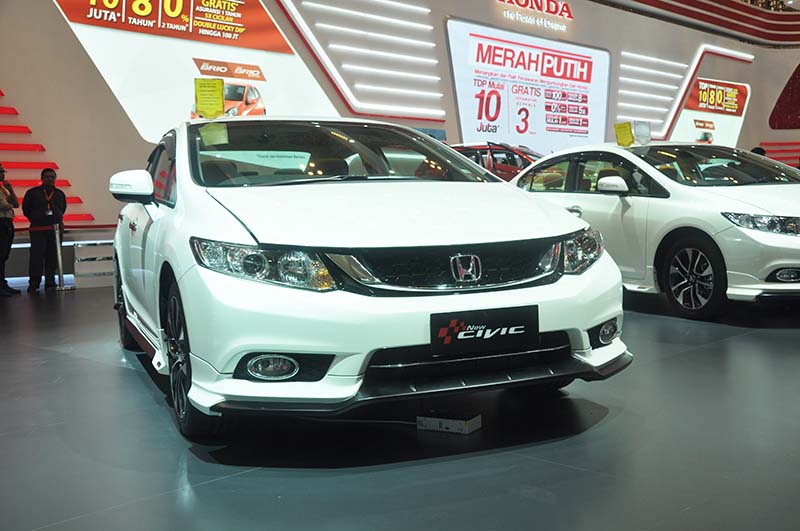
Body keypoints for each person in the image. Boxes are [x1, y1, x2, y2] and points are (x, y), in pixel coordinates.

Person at [22, 168, 67, 293]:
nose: (50, 179)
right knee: (36, 256)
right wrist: (37, 219)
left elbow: (62, 208)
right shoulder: (32, 193)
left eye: (52, 177)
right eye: (47, 177)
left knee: (53, 256)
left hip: (55, 230)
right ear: (42, 178)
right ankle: (34, 283)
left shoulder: (59, 194)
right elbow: (26, 209)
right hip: (38, 229)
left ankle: (50, 282)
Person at [0, 163, 21, 297]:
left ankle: (3, 284)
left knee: (4, 255)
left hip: (7, 223)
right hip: (1, 222)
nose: (3, 174)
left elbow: (16, 204)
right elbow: (6, 206)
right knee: (0, 255)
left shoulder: (3, 189)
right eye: (1, 172)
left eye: (3, 172)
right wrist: (10, 203)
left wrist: (10, 189)